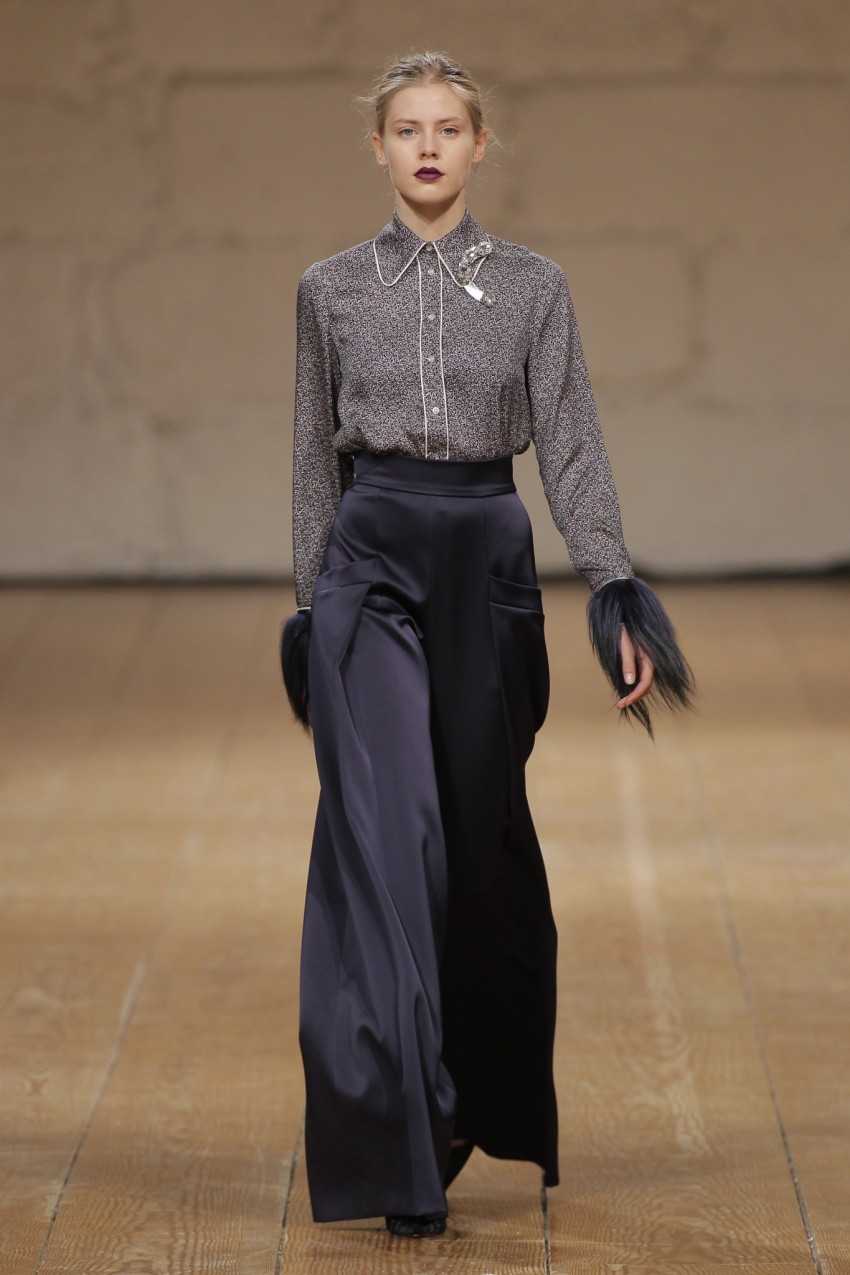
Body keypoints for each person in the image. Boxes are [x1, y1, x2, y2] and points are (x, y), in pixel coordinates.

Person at [281, 50, 693, 1239]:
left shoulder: (532, 288)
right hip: (369, 564)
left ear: (477, 145)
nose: (426, 146)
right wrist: (312, 612)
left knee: (470, 849)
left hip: (486, 566)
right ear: (377, 147)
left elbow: (569, 439)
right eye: (405, 129)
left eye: (446, 129)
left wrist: (612, 588)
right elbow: (311, 456)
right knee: (389, 838)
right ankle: (396, 1134)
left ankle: (455, 1093)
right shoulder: (327, 289)